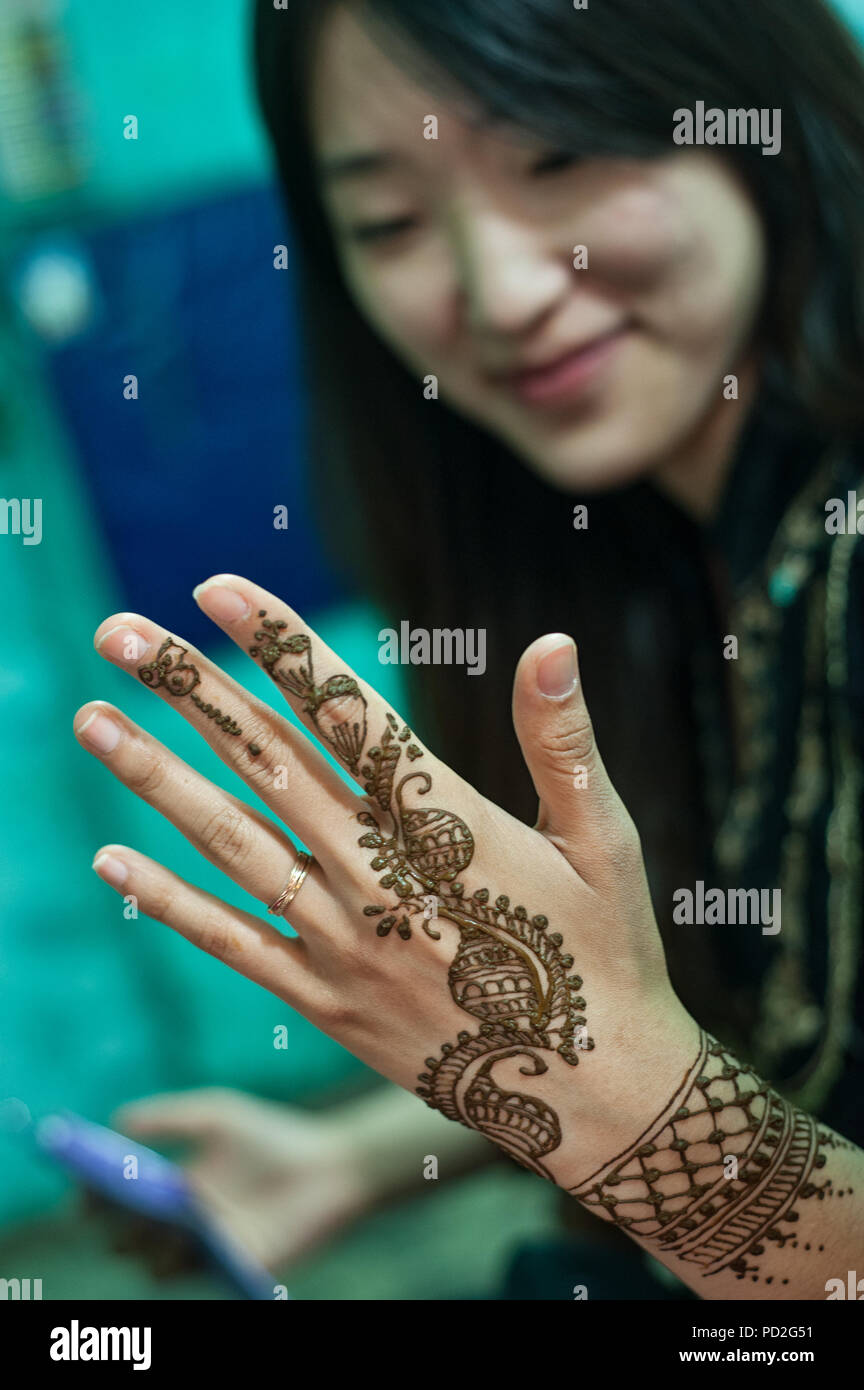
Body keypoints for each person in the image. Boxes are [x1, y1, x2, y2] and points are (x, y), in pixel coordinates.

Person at [73, 0, 864, 1299]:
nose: (502, 293)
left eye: (560, 154)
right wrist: (361, 1153)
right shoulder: (658, 558)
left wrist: (634, 1121)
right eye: (389, 222)